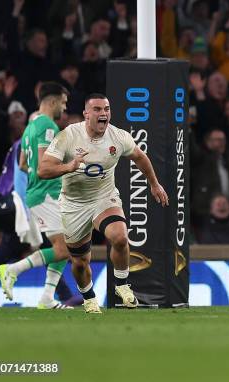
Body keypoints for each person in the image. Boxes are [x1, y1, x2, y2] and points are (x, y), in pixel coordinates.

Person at [37, 93, 169, 313]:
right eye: (97, 110)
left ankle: (122, 285)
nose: (103, 114)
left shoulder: (118, 137)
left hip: (103, 197)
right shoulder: (68, 136)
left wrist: (154, 184)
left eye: (106, 109)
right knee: (80, 262)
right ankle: (89, 298)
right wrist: (68, 167)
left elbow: (139, 156)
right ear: (86, 114)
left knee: (119, 236)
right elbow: (43, 169)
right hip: (74, 204)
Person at [0, 82, 73, 309]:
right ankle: (12, 270)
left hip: (39, 194)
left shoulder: (30, 127)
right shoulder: (47, 126)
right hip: (46, 194)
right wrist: (70, 167)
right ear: (52, 101)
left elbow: (23, 165)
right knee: (65, 248)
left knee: (65, 245)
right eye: (63, 102)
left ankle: (47, 298)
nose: (65, 108)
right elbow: (42, 168)